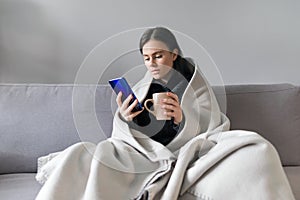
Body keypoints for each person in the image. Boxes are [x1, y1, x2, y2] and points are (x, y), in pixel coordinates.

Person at [35, 27, 295, 200]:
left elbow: (213, 125)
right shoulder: (142, 86)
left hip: (191, 153)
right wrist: (126, 118)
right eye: (147, 58)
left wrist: (184, 119)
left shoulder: (195, 84)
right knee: (85, 152)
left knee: (257, 149)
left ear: (174, 54)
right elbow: (124, 136)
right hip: (144, 154)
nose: (152, 63)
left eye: (158, 56)